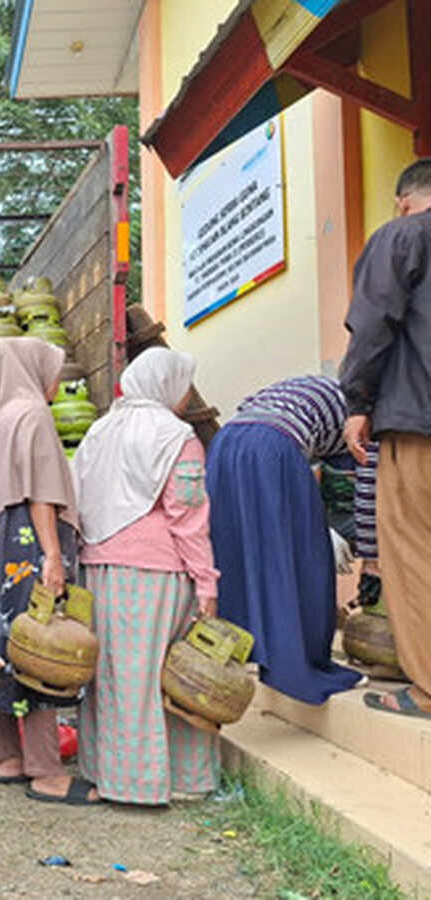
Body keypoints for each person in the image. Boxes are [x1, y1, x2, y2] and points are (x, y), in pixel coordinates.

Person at [73, 348, 220, 804]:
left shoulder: (99, 429)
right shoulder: (177, 436)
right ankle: (160, 780)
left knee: (114, 676)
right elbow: (188, 516)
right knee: (161, 676)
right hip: (155, 572)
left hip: (97, 567)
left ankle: (107, 773)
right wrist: (206, 581)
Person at [0, 337, 98, 806]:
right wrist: (53, 556)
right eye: (53, 369)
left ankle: (8, 758)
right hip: (30, 543)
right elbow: (40, 493)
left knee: (6, 644)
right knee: (42, 649)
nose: (56, 381)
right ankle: (44, 769)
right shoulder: (34, 414)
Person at [206, 375, 364, 704]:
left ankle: (252, 649)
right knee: (303, 557)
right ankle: (295, 665)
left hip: (225, 445)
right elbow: (359, 486)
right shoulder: (362, 415)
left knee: (239, 552)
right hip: (272, 446)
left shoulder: (313, 391)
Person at [340, 157, 431, 718]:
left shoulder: (401, 236)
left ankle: (427, 689)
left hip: (417, 424)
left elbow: (373, 324)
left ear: (404, 200)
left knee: (414, 552)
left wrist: (356, 401)